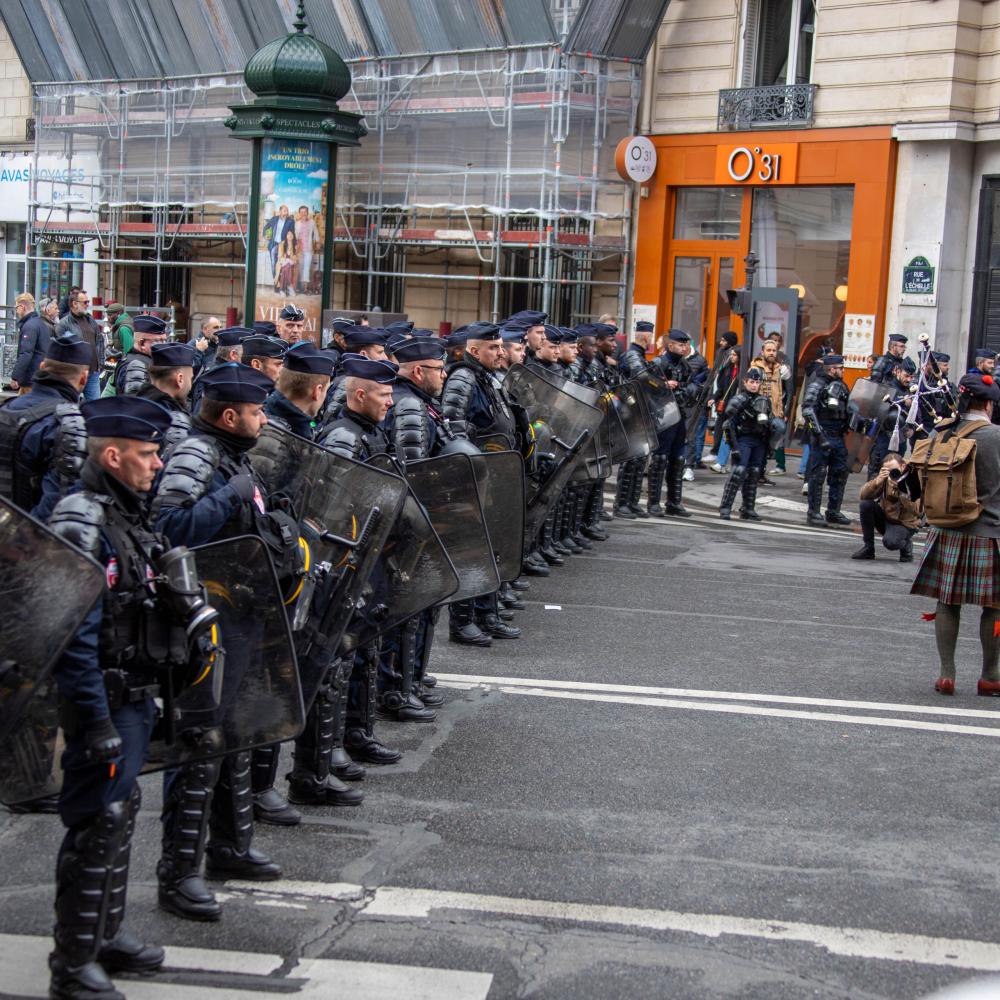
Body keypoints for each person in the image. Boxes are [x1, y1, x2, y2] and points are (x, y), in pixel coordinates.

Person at [152, 363, 293, 921]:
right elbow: (170, 529)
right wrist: (229, 497)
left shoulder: (232, 455)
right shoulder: (196, 454)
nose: (264, 420)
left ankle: (230, 846)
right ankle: (180, 871)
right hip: (210, 618)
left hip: (245, 608)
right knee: (199, 742)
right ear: (230, 416)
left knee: (235, 735)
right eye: (257, 412)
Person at [45, 395, 174, 1000]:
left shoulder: (126, 513)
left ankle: (105, 933)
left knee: (119, 813)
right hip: (103, 697)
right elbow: (71, 633)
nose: (158, 463)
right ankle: (72, 964)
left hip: (134, 693)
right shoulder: (83, 518)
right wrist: (94, 720)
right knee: (96, 822)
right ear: (114, 456)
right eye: (148, 454)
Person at [317, 354, 407, 765]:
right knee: (341, 657)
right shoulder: (344, 436)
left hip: (374, 556)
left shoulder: (372, 432)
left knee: (366, 648)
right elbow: (332, 506)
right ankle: (331, 745)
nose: (390, 402)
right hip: (348, 560)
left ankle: (358, 732)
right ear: (358, 395)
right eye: (383, 395)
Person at [911, 372, 1000, 696]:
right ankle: (990, 675)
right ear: (988, 405)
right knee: (995, 607)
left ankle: (946, 674)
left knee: (948, 603)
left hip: (946, 529)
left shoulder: (944, 431)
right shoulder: (996, 436)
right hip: (989, 532)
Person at [380, 335, 451, 721]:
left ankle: (411, 679)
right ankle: (397, 686)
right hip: (413, 523)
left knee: (422, 607)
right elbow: (414, 471)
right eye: (439, 369)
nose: (445, 375)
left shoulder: (420, 401)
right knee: (407, 608)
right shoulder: (409, 405)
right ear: (419, 371)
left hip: (424, 519)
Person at [440, 323, 522, 642]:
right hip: (477, 474)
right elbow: (453, 425)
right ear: (474, 350)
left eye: (501, 346)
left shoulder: (486, 377)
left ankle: (487, 614)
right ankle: (463, 621)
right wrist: (472, 462)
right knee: (472, 549)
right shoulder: (463, 377)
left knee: (492, 546)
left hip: (495, 472)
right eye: (493, 347)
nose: (500, 352)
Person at [0, 332, 91, 520]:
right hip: (26, 534)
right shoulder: (70, 424)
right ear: (84, 378)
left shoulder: (7, 409)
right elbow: (58, 508)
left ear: (42, 367)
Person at [649, 328, 697, 518]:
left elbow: (691, 384)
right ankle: (653, 502)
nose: (684, 347)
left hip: (680, 415)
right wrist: (664, 385)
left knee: (678, 459)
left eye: (686, 344)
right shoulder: (659, 363)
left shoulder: (685, 365)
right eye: (680, 344)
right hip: (663, 416)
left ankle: (674, 502)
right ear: (670, 345)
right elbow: (646, 384)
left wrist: (687, 390)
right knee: (660, 458)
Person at [801, 353, 852, 527]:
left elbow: (847, 408)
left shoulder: (842, 386)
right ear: (831, 369)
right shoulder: (817, 385)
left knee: (839, 474)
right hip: (822, 435)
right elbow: (808, 410)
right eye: (840, 368)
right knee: (818, 475)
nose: (843, 370)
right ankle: (813, 512)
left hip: (838, 435)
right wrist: (820, 436)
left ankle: (833, 511)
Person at [613, 320, 654, 518]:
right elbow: (642, 377)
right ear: (645, 336)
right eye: (651, 335)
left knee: (640, 458)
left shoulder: (640, 355)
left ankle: (632, 501)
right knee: (631, 458)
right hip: (631, 411)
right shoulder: (632, 355)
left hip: (640, 411)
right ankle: (621, 503)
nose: (652, 339)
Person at [718, 366, 770, 521]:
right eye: (752, 382)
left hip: (758, 440)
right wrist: (733, 447)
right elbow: (728, 425)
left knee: (754, 473)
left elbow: (770, 423)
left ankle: (748, 508)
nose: (754, 385)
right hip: (743, 439)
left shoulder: (764, 400)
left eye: (757, 382)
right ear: (745, 382)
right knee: (738, 472)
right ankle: (725, 507)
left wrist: (770, 445)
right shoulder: (738, 399)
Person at [852, 452, 920, 562]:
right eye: (887, 470)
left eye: (894, 470)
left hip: (905, 524)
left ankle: (906, 544)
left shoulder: (912, 479)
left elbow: (917, 511)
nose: (892, 473)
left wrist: (900, 489)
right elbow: (863, 496)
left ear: (902, 466)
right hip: (887, 519)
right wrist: (877, 481)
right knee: (866, 504)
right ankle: (868, 548)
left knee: (890, 543)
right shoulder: (885, 479)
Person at [134, 341, 196, 457]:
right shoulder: (171, 420)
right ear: (180, 379)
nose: (190, 385)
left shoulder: (138, 405)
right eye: (190, 378)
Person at [867, 356, 915, 480]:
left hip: (901, 439)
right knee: (878, 474)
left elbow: (916, 413)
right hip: (884, 438)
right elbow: (875, 409)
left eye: (911, 377)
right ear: (897, 372)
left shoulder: (910, 390)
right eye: (906, 376)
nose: (909, 379)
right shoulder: (886, 387)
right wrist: (902, 401)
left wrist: (912, 428)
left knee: (896, 474)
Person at [752, 337, 790, 478]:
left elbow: (784, 392)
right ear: (762, 352)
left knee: (779, 429)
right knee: (757, 444)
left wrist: (783, 411)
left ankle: (762, 471)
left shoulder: (780, 369)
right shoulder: (755, 368)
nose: (772, 353)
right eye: (768, 350)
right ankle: (756, 474)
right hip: (758, 413)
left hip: (774, 413)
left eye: (774, 350)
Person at [56, 290, 104, 400]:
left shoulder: (90, 320)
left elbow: (100, 341)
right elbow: (60, 349)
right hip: (75, 373)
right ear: (74, 304)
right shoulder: (64, 324)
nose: (87, 305)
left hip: (93, 372)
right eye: (85, 302)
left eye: (88, 302)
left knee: (95, 405)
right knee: (71, 405)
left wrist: (100, 363)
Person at [111, 315, 168, 396]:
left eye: (165, 341)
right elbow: (135, 401)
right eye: (158, 341)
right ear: (142, 343)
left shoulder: (147, 360)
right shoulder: (135, 366)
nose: (163, 345)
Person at [709, 334, 740, 473]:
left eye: (734, 355)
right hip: (726, 406)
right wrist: (714, 398)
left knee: (732, 435)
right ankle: (721, 462)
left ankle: (729, 464)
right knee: (726, 432)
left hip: (738, 408)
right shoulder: (727, 368)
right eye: (731, 354)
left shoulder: (744, 371)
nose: (732, 357)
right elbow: (721, 387)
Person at [11, 292, 51, 393]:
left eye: (16, 308)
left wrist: (15, 377)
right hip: (39, 375)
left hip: (31, 378)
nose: (16, 311)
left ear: (22, 307)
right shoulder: (41, 324)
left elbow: (26, 353)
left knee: (27, 402)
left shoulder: (29, 326)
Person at [263, 204, 294, 279]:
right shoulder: (274, 219)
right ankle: (275, 280)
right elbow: (266, 227)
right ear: (280, 211)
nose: (286, 213)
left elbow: (292, 233)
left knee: (283, 264)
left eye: (287, 211)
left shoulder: (290, 221)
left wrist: (291, 245)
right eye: (284, 211)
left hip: (284, 245)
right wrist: (265, 235)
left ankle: (280, 281)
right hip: (274, 244)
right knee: (274, 263)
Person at [295, 205, 319, 294]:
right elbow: (295, 236)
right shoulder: (297, 223)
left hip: (308, 249)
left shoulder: (312, 222)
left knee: (307, 267)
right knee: (301, 267)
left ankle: (305, 288)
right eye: (301, 212)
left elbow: (316, 233)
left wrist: (318, 242)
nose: (303, 214)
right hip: (300, 250)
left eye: (305, 212)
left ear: (307, 213)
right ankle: (301, 286)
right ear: (299, 213)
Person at [274, 232, 297, 297]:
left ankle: (282, 289)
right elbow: (279, 256)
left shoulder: (295, 245)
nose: (290, 235)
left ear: (293, 236)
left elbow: (296, 256)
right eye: (288, 234)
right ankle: (289, 287)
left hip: (292, 263)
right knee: (287, 267)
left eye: (291, 234)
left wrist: (292, 260)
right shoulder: (282, 244)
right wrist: (286, 260)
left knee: (287, 267)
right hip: (282, 262)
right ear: (286, 235)